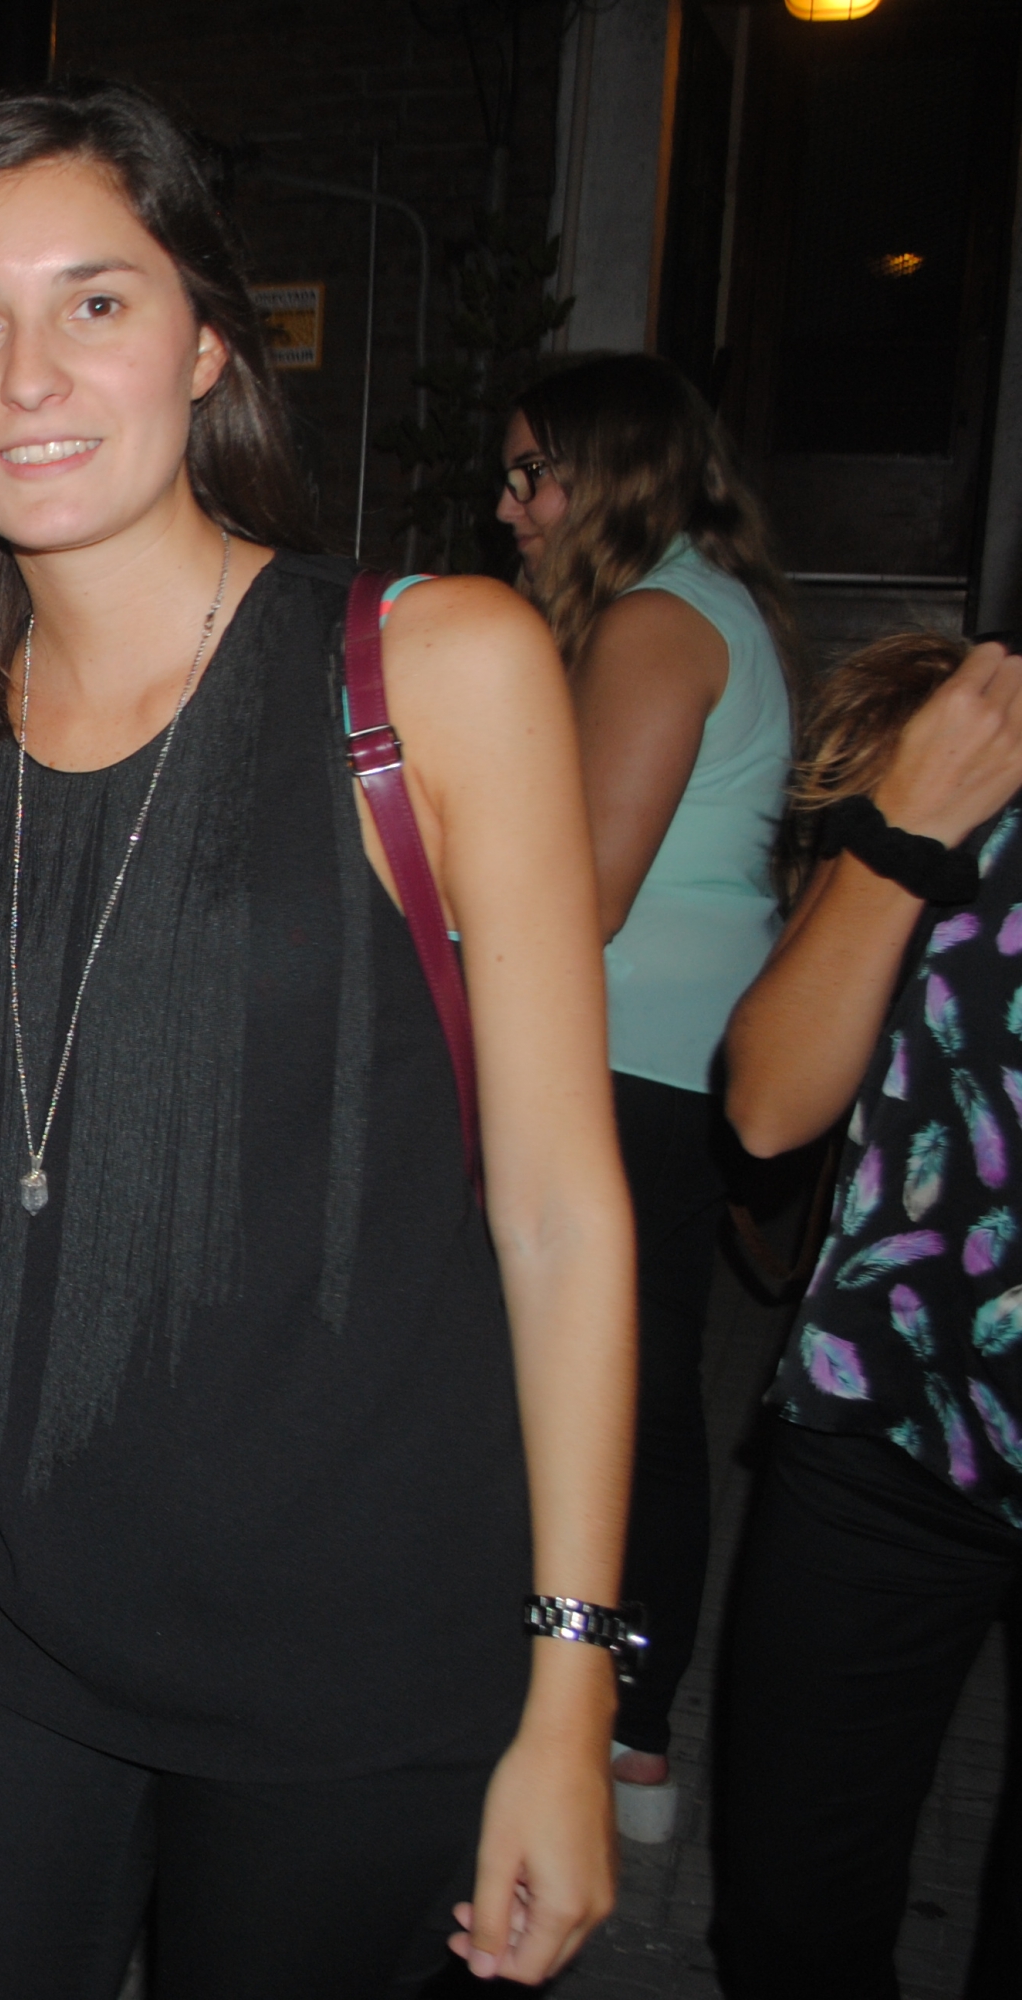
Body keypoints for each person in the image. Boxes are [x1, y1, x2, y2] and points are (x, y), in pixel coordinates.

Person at [0, 85, 632, 1995]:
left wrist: (571, 1695)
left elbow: (562, 1220)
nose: (28, 375)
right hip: (12, 1625)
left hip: (352, 1651)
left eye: (93, 302)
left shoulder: (428, 664)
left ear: (199, 343)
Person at [498, 351, 797, 1840]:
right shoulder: (690, 602)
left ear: (606, 476)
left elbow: (584, 890)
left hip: (640, 1060)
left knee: (633, 1383)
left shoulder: (661, 619)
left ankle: (627, 1720)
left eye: (531, 473)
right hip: (665, 1052)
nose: (510, 507)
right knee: (639, 1372)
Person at [711, 630, 1022, 1999]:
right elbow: (771, 1104)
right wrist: (906, 828)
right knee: (789, 1919)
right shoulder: (971, 726)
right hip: (890, 1401)